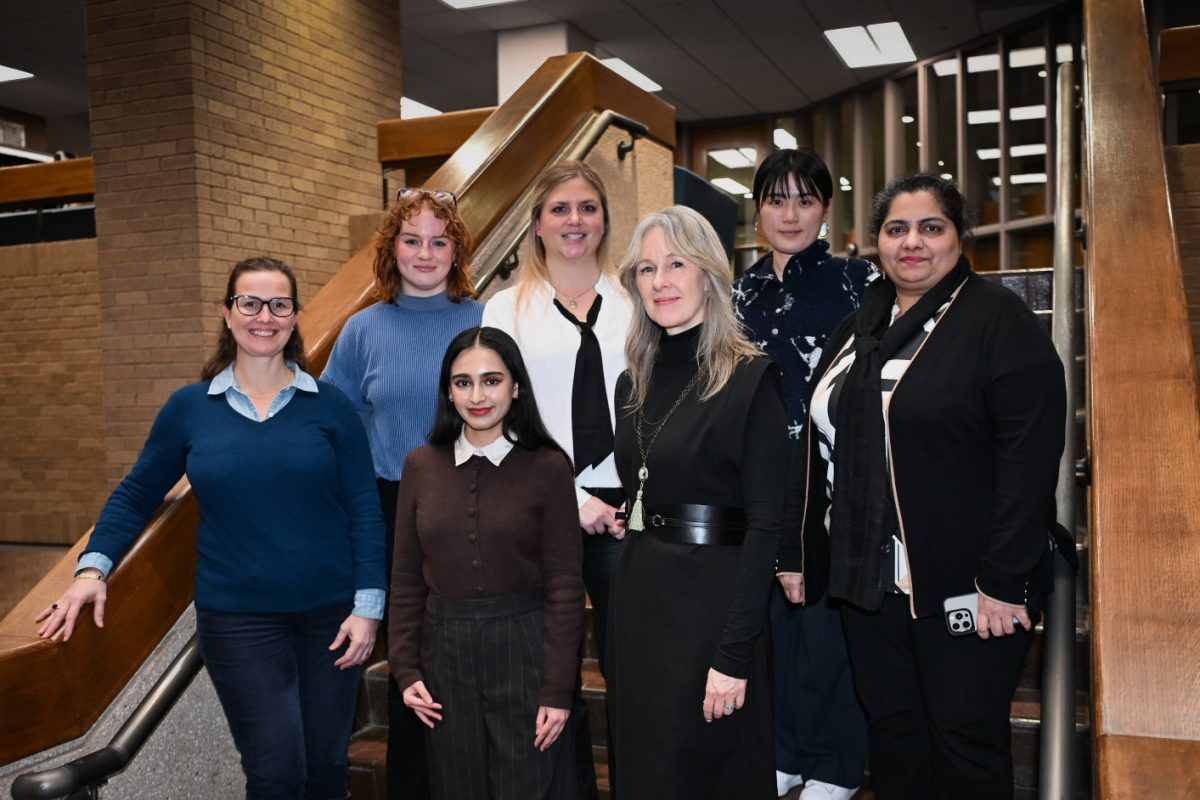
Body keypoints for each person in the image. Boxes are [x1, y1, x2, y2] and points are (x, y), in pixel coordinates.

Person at [36, 256, 386, 800]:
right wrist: (91, 569)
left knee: (325, 769)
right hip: (238, 621)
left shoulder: (331, 407)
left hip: (331, 618)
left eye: (279, 304)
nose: (263, 316)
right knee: (275, 771)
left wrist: (368, 606)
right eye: (249, 303)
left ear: (294, 318)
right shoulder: (190, 409)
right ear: (227, 313)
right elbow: (136, 493)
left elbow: (365, 507)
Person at [778, 174, 1065, 799]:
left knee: (964, 741)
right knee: (895, 733)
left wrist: (1004, 580)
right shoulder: (858, 328)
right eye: (896, 229)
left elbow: (1030, 459)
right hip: (867, 581)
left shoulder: (997, 321)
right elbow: (816, 451)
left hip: (969, 583)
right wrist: (801, 550)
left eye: (931, 227)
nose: (913, 242)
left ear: (960, 237)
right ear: (877, 241)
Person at [607, 205, 788, 798]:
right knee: (647, 768)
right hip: (639, 604)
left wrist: (734, 653)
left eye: (677, 264)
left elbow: (766, 525)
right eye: (647, 268)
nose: (660, 282)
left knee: (712, 772)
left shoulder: (750, 378)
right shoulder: (631, 381)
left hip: (713, 608)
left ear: (709, 274)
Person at [322, 186, 483, 800]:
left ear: (456, 250)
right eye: (411, 240)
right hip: (389, 507)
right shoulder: (363, 330)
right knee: (409, 661)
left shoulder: (481, 319)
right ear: (392, 249)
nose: (425, 252)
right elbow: (335, 421)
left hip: (471, 502)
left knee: (468, 655)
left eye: (439, 241)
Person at [482, 160, 632, 796]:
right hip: (541, 507)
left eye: (587, 207)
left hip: (631, 510)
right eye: (560, 209)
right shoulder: (505, 306)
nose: (575, 220)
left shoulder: (637, 298)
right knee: (551, 674)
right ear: (536, 225)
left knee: (631, 668)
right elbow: (493, 412)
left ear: (603, 219)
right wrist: (571, 499)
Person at [388, 326, 584, 800]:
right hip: (445, 655)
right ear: (448, 392)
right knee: (457, 785)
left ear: (516, 387)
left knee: (528, 784)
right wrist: (406, 668)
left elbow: (564, 586)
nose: (477, 395)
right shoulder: (420, 466)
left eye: (491, 380)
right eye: (463, 382)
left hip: (524, 648)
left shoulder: (548, 467)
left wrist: (557, 690)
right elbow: (406, 579)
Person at [731, 148, 873, 800]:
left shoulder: (859, 283)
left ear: (825, 207)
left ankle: (836, 764)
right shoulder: (736, 292)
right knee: (770, 629)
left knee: (825, 630)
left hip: (829, 480)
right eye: (776, 198)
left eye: (805, 199)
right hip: (753, 480)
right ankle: (785, 749)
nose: (790, 214)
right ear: (757, 206)